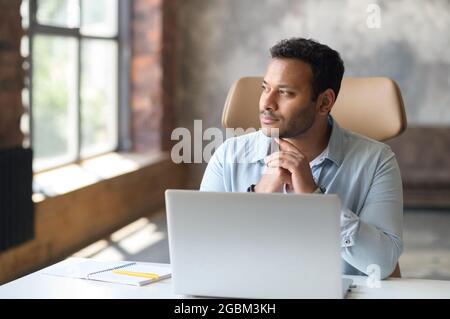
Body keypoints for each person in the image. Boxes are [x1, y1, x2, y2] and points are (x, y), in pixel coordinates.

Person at [200, 38, 403, 279]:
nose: (267, 103)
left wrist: (316, 200)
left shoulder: (377, 161)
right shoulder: (228, 156)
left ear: (324, 102)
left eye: (285, 93)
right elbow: (201, 254)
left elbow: (381, 264)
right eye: (265, 88)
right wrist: (257, 197)